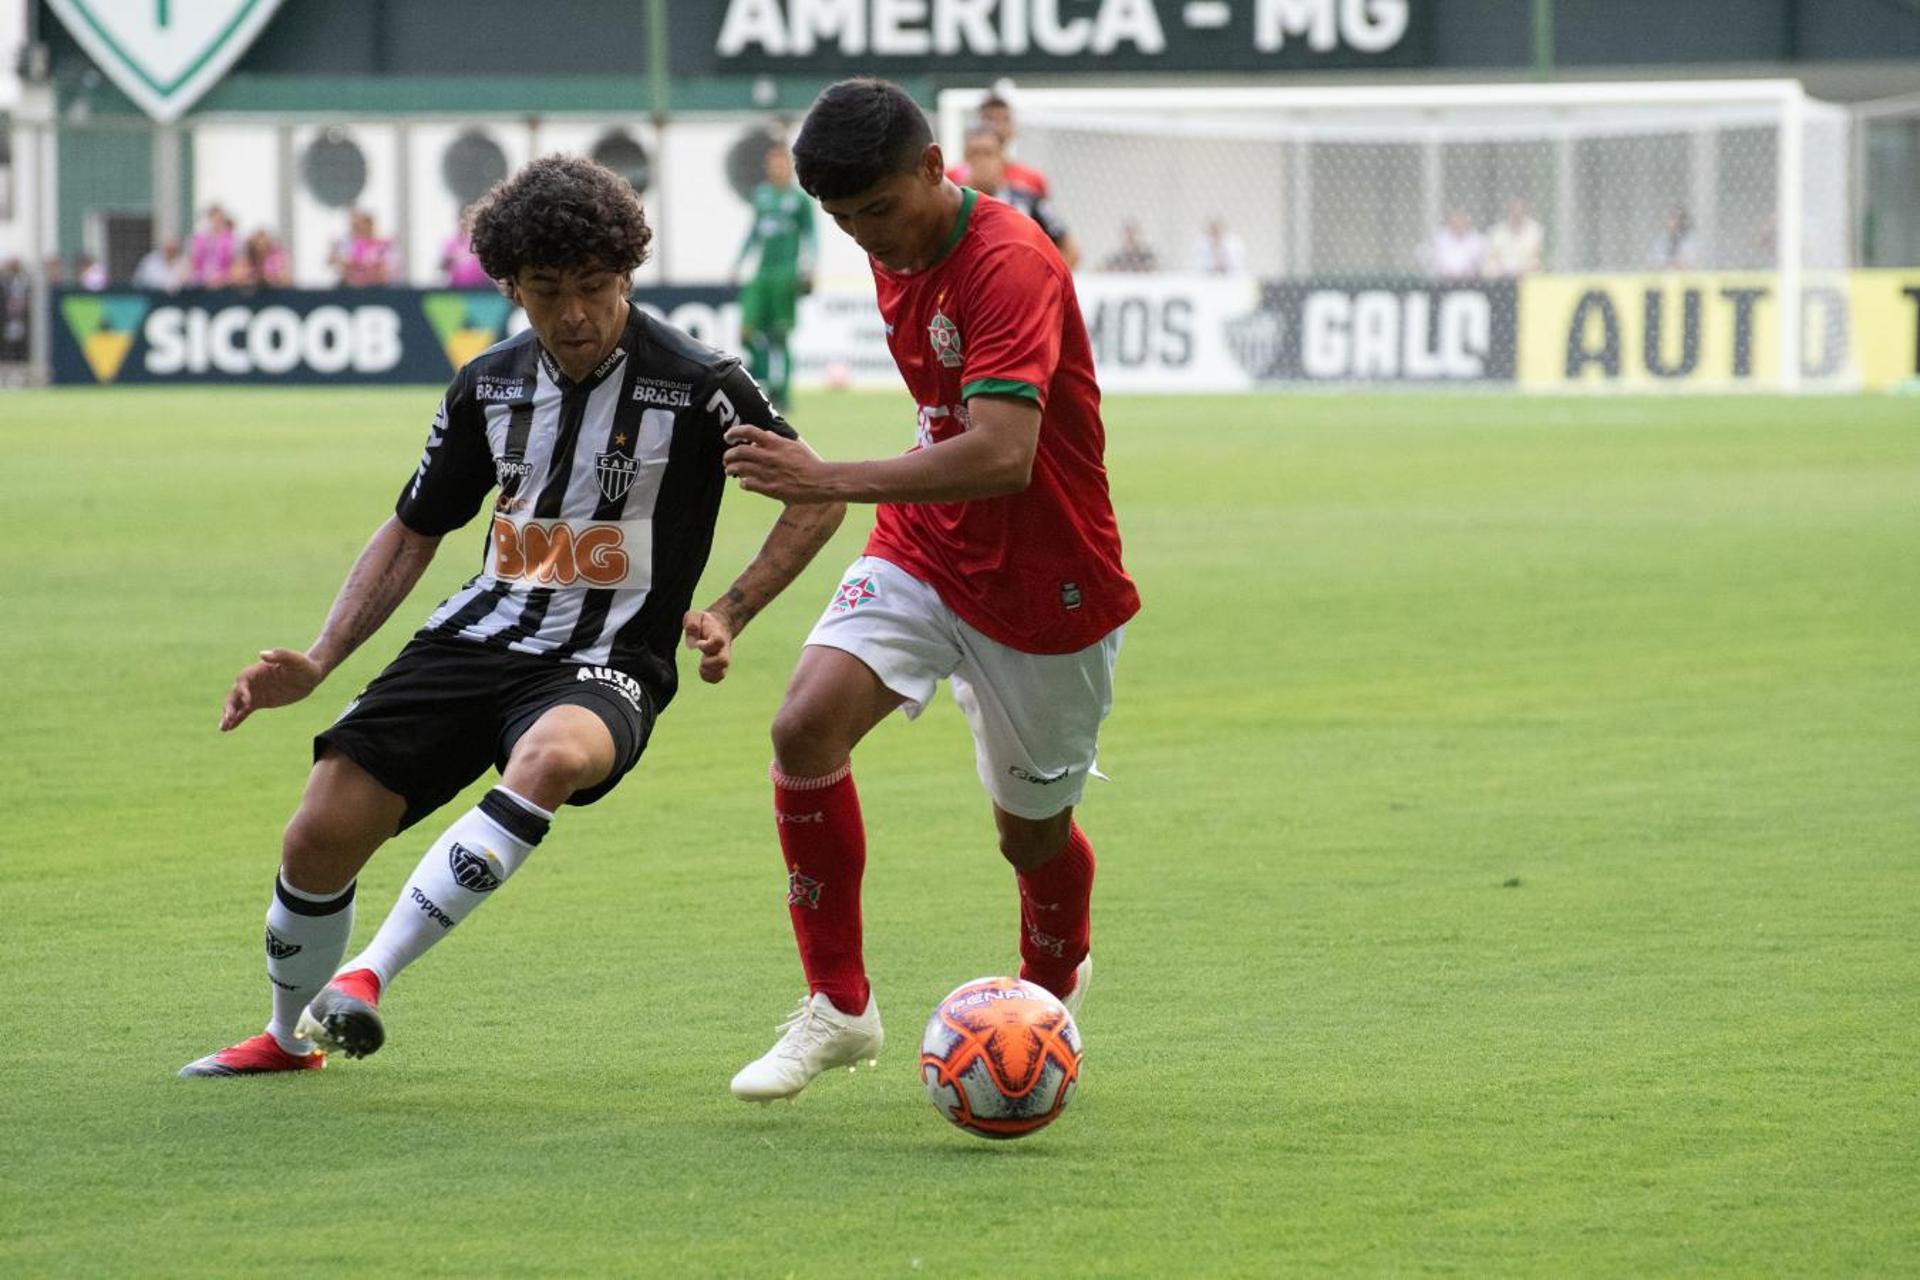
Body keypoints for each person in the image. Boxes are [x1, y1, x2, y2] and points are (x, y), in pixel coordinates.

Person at [178, 155, 845, 1078]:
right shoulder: (487, 384)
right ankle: (290, 1038)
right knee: (318, 832)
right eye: (546, 291)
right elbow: (415, 528)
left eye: (595, 288)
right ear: (510, 286)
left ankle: (368, 976)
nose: (573, 314)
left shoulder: (701, 383)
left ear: (628, 275)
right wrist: (322, 658)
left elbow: (817, 496)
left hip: (608, 657)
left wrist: (733, 608)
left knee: (556, 756)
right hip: (476, 633)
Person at [721, 78, 1139, 1102]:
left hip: (1050, 582)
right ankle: (839, 1005)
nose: (868, 237)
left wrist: (826, 479)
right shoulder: (892, 247)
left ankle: (1048, 989)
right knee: (803, 726)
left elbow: (1002, 453)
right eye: (843, 220)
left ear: (931, 169)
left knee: (1028, 832)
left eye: (878, 211)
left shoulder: (1009, 263)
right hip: (924, 545)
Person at [734, 141, 817, 412]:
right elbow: (753, 232)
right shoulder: (762, 196)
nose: (777, 168)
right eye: (773, 164)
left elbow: (811, 235)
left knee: (780, 335)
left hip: (786, 274)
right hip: (761, 274)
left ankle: (783, 393)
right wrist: (739, 261)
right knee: (748, 332)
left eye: (781, 163)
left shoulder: (799, 199)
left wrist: (810, 266)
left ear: (789, 167)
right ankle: (765, 379)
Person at [962, 125, 1079, 270]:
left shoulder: (1028, 200)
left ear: (1002, 158)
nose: (982, 162)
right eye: (975, 153)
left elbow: (1071, 251)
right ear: (965, 157)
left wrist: (1041, 282)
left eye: (988, 153)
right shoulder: (953, 205)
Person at [1482, 197, 1543, 277]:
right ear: (1509, 210)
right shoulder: (1497, 230)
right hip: (1502, 271)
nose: (1516, 214)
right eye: (1513, 210)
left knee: (1535, 265)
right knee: (1490, 267)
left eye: (1520, 211)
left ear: (1525, 211)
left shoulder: (1534, 229)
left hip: (1526, 269)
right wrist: (1504, 269)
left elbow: (1534, 254)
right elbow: (1494, 254)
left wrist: (1521, 270)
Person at [331, 210, 395, 286]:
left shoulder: (384, 244)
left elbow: (386, 268)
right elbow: (351, 264)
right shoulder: (356, 244)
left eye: (364, 225)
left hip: (379, 286)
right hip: (358, 286)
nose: (362, 229)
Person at [1426, 207, 1485, 280]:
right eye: (1455, 221)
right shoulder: (1441, 238)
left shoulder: (1478, 240)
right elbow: (1434, 261)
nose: (1458, 224)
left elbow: (1478, 264)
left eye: (1461, 220)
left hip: (1469, 282)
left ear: (1467, 221)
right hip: (1442, 281)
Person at [442, 205, 491, 288]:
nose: (463, 223)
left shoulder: (479, 240)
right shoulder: (451, 243)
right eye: (461, 219)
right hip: (457, 289)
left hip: (480, 288)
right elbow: (443, 265)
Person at [191, 205, 236, 287]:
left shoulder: (231, 239)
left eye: (219, 218)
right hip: (201, 281)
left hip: (223, 282)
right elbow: (195, 261)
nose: (216, 221)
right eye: (214, 217)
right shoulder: (200, 238)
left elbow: (233, 262)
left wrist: (221, 278)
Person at [1650, 206, 1698, 270]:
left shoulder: (1690, 241)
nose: (1671, 222)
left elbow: (1690, 265)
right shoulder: (1661, 241)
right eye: (1669, 218)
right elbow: (1652, 264)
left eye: (1674, 218)